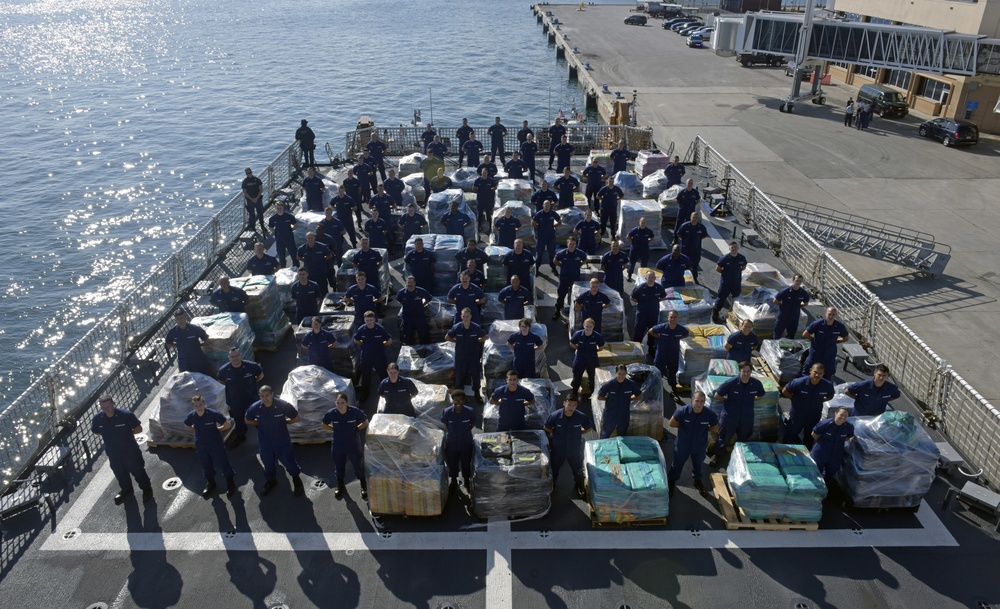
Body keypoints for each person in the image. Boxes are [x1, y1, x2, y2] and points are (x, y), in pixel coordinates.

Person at [92, 395, 153, 503]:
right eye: (103, 408)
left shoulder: (125, 415)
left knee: (138, 471)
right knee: (120, 473)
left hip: (130, 452)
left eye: (108, 406)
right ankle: (127, 490)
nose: (106, 409)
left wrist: (127, 434)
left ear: (113, 403)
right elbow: (96, 431)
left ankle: (146, 489)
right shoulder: (97, 419)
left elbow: (138, 429)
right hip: (114, 454)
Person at [245, 385, 304, 497]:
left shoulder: (283, 405)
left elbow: (296, 418)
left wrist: (285, 422)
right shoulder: (255, 407)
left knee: (289, 462)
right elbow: (247, 420)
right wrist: (258, 423)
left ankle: (297, 481)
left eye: (267, 395)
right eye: (262, 396)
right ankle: (271, 481)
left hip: (282, 442)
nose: (265, 398)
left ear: (272, 394)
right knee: (268, 464)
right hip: (265, 443)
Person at [710, 362, 765, 467]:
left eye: (748, 371)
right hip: (730, 416)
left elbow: (761, 395)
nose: (746, 374)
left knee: (743, 438)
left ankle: (739, 458)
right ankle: (717, 455)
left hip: (746, 417)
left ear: (751, 372)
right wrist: (726, 400)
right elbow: (717, 395)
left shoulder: (756, 384)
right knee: (724, 437)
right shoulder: (731, 383)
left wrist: (752, 399)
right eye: (743, 371)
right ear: (739, 371)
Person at [667, 390, 719, 496]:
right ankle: (671, 482)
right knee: (677, 464)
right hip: (683, 444)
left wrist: (705, 429)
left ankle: (697, 481)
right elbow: (671, 423)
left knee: (698, 464)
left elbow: (715, 428)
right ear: (692, 400)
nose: (699, 404)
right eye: (697, 401)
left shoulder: (709, 414)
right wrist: (683, 427)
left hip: (699, 445)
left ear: (704, 402)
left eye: (702, 401)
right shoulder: (683, 411)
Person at [184, 394, 236, 497]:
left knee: (223, 463)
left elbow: (227, 425)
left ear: (204, 404)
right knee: (206, 465)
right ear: (193, 406)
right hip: (201, 445)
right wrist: (197, 430)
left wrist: (217, 429)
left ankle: (230, 483)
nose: (198, 407)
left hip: (215, 444)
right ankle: (211, 482)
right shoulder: (192, 416)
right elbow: (186, 426)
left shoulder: (212, 414)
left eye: (200, 404)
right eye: (196, 406)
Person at [544, 391, 593, 498]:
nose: (571, 407)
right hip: (558, 449)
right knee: (555, 468)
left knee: (577, 469)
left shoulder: (580, 416)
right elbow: (547, 427)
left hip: (574, 449)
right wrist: (555, 433)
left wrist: (580, 432)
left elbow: (588, 427)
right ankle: (553, 483)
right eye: (569, 404)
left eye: (574, 405)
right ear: (564, 403)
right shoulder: (555, 416)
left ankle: (579, 484)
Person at [321, 392, 369, 500]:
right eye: (338, 403)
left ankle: (363, 485)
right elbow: (324, 424)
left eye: (342, 403)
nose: (340, 405)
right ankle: (340, 485)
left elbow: (365, 422)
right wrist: (333, 429)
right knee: (339, 466)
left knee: (358, 466)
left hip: (353, 444)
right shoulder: (332, 413)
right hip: (338, 445)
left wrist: (356, 429)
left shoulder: (354, 412)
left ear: (347, 403)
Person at [216, 347, 263, 448]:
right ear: (229, 358)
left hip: (251, 399)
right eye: (232, 357)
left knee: (258, 417)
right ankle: (241, 436)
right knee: (239, 419)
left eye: (237, 356)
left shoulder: (251, 366)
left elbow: (260, 375)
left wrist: (252, 385)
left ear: (241, 355)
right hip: (235, 401)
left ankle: (265, 435)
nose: (235, 358)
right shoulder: (224, 370)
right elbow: (222, 381)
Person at [781, 363, 835, 449]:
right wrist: (793, 399)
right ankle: (784, 451)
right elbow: (785, 391)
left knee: (809, 437)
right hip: (798, 414)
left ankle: (806, 454)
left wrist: (819, 400)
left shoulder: (827, 385)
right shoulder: (799, 382)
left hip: (814, 415)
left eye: (820, 373)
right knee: (790, 434)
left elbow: (829, 396)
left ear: (823, 374)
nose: (817, 375)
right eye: (815, 372)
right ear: (810, 371)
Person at [446, 308, 487, 403]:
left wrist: (477, 341)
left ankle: (477, 393)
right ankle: (460, 396)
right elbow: (447, 337)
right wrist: (456, 341)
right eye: (463, 316)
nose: (465, 318)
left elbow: (485, 336)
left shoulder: (475, 327)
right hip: (461, 357)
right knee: (460, 377)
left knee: (475, 375)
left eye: (467, 316)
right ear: (461, 316)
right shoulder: (457, 327)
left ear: (471, 316)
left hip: (473, 356)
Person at [352, 311, 392, 401]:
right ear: (364, 320)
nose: (369, 322)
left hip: (379, 356)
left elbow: (389, 341)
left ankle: (387, 391)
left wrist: (381, 345)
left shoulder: (380, 328)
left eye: (371, 320)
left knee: (383, 374)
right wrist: (363, 344)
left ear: (374, 319)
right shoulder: (362, 329)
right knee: (365, 376)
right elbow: (356, 340)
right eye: (367, 320)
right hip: (366, 356)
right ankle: (366, 392)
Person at [801, 306, 849, 380]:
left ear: (836, 315)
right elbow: (805, 334)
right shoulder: (817, 324)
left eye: (833, 314)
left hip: (829, 355)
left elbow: (846, 338)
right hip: (816, 353)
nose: (831, 316)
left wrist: (835, 342)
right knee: (808, 371)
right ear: (825, 314)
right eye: (829, 314)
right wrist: (813, 340)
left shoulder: (839, 326)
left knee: (827, 373)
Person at [441, 390, 475, 490]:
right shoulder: (447, 412)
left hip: (466, 443)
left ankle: (466, 480)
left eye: (460, 400)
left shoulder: (470, 411)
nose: (458, 402)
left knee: (466, 463)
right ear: (452, 400)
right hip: (452, 443)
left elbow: (472, 423)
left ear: (464, 400)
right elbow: (445, 424)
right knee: (452, 463)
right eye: (456, 400)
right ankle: (454, 481)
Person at [596, 364, 641, 438]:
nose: (621, 376)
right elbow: (600, 397)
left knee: (622, 433)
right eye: (619, 374)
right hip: (610, 413)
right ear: (616, 373)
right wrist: (609, 399)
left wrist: (629, 399)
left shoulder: (631, 384)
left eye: (623, 374)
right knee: (606, 433)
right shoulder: (609, 384)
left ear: (626, 373)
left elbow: (638, 395)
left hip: (623, 414)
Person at [810, 407, 855, 481]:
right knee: (816, 472)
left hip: (835, 455)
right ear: (836, 413)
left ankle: (826, 488)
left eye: (846, 416)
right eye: (841, 415)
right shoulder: (825, 424)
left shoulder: (849, 427)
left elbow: (848, 437)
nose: (843, 417)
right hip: (821, 453)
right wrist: (822, 443)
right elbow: (814, 434)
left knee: (831, 473)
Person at [649, 310, 690, 389]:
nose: (673, 319)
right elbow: (651, 331)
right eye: (671, 317)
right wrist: (658, 337)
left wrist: (678, 338)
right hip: (661, 354)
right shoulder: (662, 327)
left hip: (673, 355)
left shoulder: (681, 329)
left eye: (675, 317)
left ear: (677, 318)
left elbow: (686, 334)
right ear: (668, 318)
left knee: (673, 372)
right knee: (658, 372)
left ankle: (673, 387)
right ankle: (657, 387)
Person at [631, 270, 667, 358]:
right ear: (646, 278)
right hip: (642, 315)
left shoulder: (659, 288)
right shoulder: (640, 288)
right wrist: (641, 303)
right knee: (638, 333)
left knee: (652, 333)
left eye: (652, 277)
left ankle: (651, 349)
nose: (651, 279)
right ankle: (637, 350)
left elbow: (663, 296)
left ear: (655, 278)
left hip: (653, 315)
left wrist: (656, 301)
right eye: (649, 277)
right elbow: (632, 297)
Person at [165, 310, 211, 375]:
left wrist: (199, 345)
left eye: (182, 318)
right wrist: (178, 346)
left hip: (197, 358)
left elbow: (207, 341)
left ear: (186, 317)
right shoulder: (173, 332)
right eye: (178, 319)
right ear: (175, 320)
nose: (181, 321)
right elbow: (168, 343)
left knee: (202, 376)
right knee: (186, 378)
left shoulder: (195, 329)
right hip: (183, 360)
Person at [712, 241, 748, 324]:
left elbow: (744, 266)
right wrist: (725, 274)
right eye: (732, 247)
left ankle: (733, 314)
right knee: (721, 298)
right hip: (726, 283)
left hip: (736, 283)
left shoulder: (741, 258)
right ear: (729, 248)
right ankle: (715, 314)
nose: (734, 249)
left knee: (736, 299)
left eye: (735, 247)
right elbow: (718, 268)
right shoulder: (724, 258)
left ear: (738, 248)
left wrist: (737, 272)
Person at [554, 236, 588, 319]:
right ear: (567, 244)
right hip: (564, 278)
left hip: (575, 278)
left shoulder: (579, 253)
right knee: (561, 295)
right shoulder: (562, 253)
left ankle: (572, 313)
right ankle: (557, 310)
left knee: (574, 295)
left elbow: (585, 259)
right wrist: (562, 266)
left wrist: (579, 265)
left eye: (573, 244)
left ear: (576, 244)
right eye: (570, 244)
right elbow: (555, 260)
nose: (572, 245)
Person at [570, 317, 605, 395]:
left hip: (591, 359)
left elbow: (602, 347)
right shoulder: (578, 334)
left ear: (593, 326)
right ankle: (574, 393)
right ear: (583, 326)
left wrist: (596, 351)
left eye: (590, 326)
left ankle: (591, 393)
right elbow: (572, 343)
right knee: (577, 376)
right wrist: (578, 348)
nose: (588, 328)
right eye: (587, 326)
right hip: (580, 358)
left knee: (592, 377)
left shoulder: (597, 336)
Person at [772, 274, 810, 339]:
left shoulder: (803, 293)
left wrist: (799, 306)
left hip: (794, 318)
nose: (798, 283)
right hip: (783, 317)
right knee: (777, 334)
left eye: (800, 281)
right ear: (793, 280)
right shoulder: (785, 291)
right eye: (797, 280)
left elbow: (806, 303)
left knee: (791, 336)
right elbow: (775, 300)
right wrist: (782, 306)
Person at [674, 212, 708, 283]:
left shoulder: (701, 227)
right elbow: (679, 235)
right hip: (685, 249)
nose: (695, 219)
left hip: (696, 250)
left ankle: (694, 278)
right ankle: (681, 278)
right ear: (690, 217)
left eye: (696, 218)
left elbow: (703, 236)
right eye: (693, 217)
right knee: (683, 264)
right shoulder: (684, 226)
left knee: (695, 265)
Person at [396, 276, 432, 345]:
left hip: (419, 317)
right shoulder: (401, 292)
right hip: (407, 317)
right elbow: (399, 300)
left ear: (415, 283)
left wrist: (423, 305)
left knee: (423, 334)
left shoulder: (421, 291)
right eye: (408, 282)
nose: (410, 284)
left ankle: (424, 350)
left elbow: (429, 298)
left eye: (411, 282)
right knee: (407, 335)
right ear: (406, 283)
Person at [532, 199, 562, 275]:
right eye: (546, 205)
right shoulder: (539, 214)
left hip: (550, 237)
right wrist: (538, 227)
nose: (547, 207)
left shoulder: (553, 213)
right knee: (539, 254)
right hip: (541, 237)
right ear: (543, 206)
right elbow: (533, 223)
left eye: (548, 205)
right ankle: (537, 269)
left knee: (552, 254)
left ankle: (553, 267)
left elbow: (560, 222)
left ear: (550, 206)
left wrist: (553, 226)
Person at [268, 201, 298, 268]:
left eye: (280, 208)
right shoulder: (273, 218)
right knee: (281, 256)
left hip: (289, 238)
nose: (279, 209)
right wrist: (275, 232)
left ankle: (296, 266)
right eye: (277, 208)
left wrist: (291, 230)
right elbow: (270, 227)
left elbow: (295, 225)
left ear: (283, 208)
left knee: (293, 254)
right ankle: (283, 268)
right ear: (275, 208)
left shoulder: (289, 216)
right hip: (279, 240)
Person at [626, 217, 655, 281]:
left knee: (644, 264)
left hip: (644, 250)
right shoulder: (635, 230)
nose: (643, 224)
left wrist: (648, 241)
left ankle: (642, 276)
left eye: (644, 223)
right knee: (632, 262)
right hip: (635, 249)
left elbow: (652, 238)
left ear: (646, 224)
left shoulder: (648, 231)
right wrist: (633, 241)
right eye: (642, 223)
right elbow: (628, 236)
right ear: (639, 223)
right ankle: (629, 274)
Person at [241, 167, 267, 235]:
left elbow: (261, 189)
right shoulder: (245, 182)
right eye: (247, 173)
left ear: (251, 172)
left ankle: (262, 225)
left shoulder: (257, 179)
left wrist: (256, 198)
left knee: (260, 213)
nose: (249, 174)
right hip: (250, 201)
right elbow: (245, 192)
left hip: (258, 199)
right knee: (251, 215)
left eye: (249, 172)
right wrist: (251, 199)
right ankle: (253, 227)